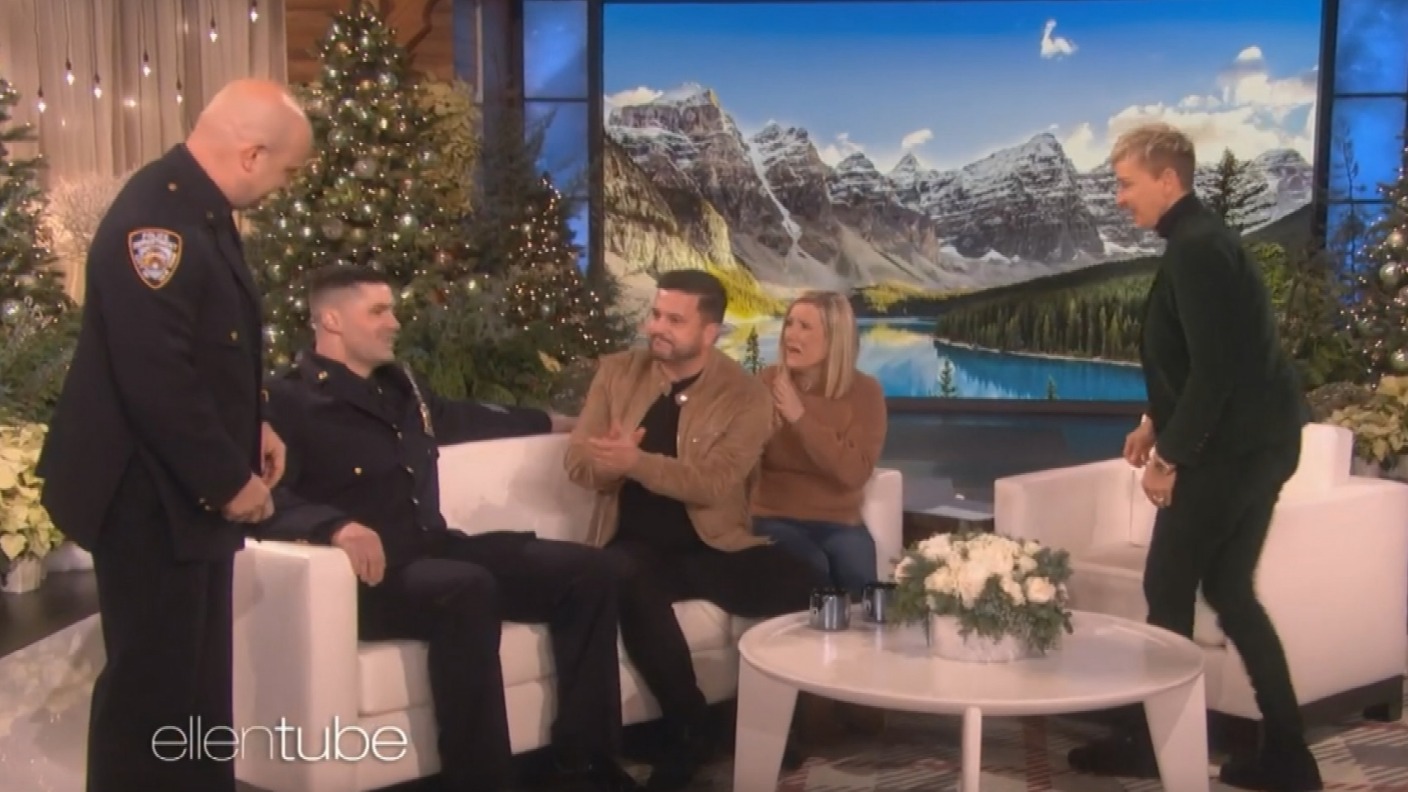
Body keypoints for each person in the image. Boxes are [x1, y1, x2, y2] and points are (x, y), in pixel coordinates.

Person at [256, 265, 638, 792]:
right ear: (332, 320)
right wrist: (336, 526)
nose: (394, 322)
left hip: (431, 550)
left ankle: (584, 764)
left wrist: (564, 424)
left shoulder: (401, 387)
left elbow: (468, 417)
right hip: (365, 578)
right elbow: (263, 497)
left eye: (392, 310)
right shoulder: (284, 403)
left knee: (588, 571)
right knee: (466, 588)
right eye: (378, 311)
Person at [35, 78, 310, 792]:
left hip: (177, 487)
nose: (282, 187)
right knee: (154, 693)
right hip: (147, 492)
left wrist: (253, 422)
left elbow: (211, 346)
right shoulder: (156, 223)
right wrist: (227, 478)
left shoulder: (198, 211)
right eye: (285, 171)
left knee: (196, 689)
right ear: (251, 154)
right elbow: (156, 375)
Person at [1066, 123, 1320, 791]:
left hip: (1230, 454)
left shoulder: (1198, 250)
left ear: (1167, 179)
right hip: (1262, 446)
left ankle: (1154, 744)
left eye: (1126, 183)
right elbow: (1209, 356)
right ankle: (1288, 755)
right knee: (1230, 591)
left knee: (1167, 587)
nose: (1120, 197)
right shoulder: (1203, 241)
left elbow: (1216, 372)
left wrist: (1169, 456)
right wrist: (1155, 422)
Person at [565, 269, 826, 791]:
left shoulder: (744, 395)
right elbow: (577, 463)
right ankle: (690, 727)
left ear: (710, 332)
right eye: (656, 315)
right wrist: (608, 464)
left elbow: (714, 483)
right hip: (634, 546)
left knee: (802, 580)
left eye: (674, 320)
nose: (656, 327)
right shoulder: (617, 373)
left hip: (713, 545)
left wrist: (636, 462)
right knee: (626, 574)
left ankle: (771, 727)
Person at [751, 291, 887, 600]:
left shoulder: (865, 392)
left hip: (840, 522)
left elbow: (854, 473)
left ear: (834, 339)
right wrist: (761, 433)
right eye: (789, 323)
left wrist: (800, 418)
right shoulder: (767, 382)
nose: (791, 335)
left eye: (804, 327)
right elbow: (740, 465)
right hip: (773, 516)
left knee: (859, 580)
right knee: (811, 570)